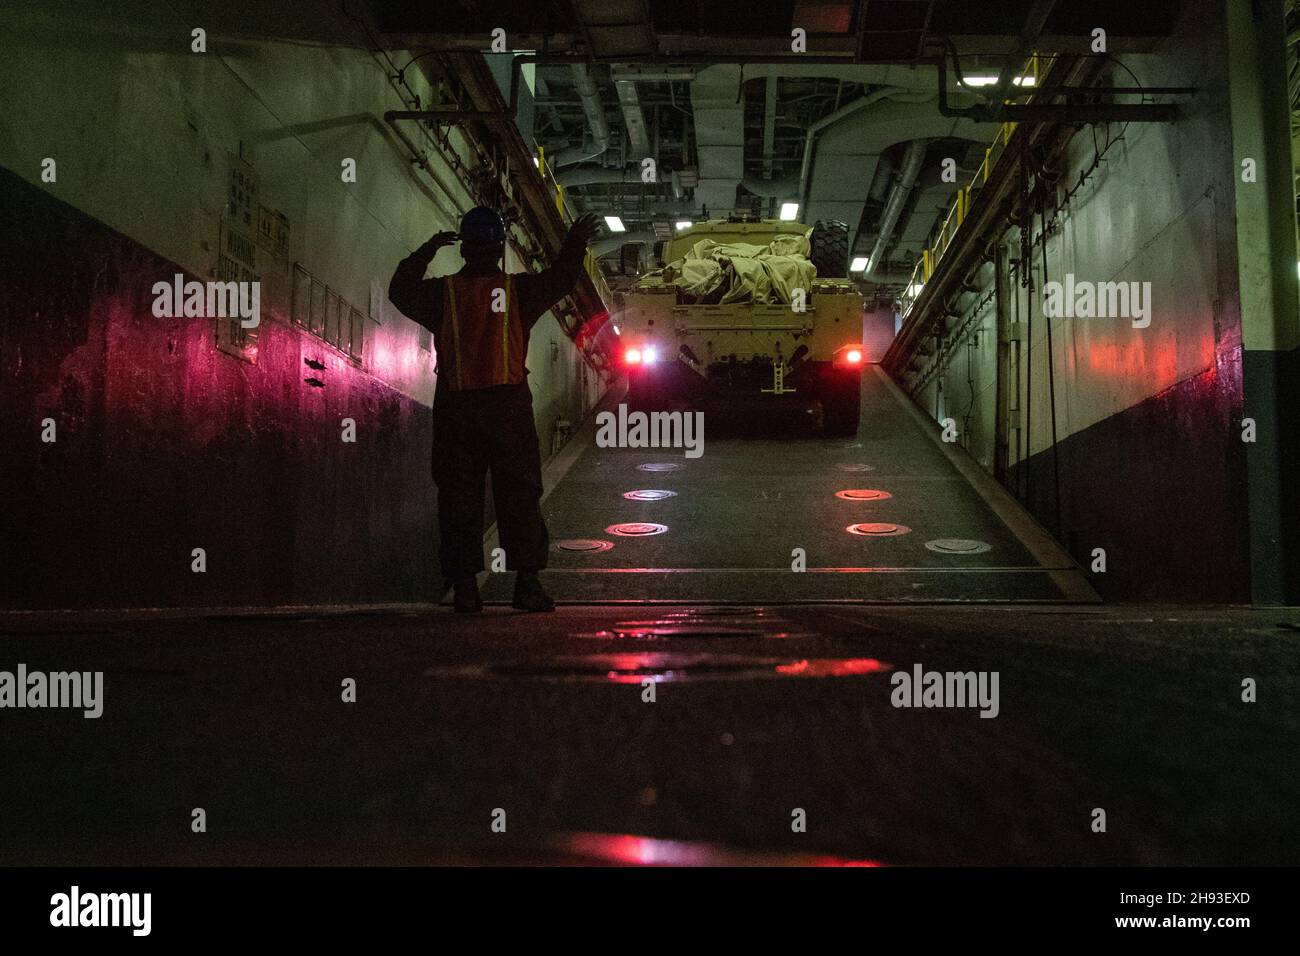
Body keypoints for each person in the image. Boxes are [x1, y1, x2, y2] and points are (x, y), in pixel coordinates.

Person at [389, 207, 601, 612]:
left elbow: (400, 290)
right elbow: (561, 278)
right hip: (508, 407)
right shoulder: (520, 291)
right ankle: (526, 586)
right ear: (500, 248)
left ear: (465, 248)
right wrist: (575, 241)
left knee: (458, 497)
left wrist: (427, 251)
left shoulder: (442, 295)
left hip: (456, 408)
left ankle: (466, 589)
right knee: (519, 494)